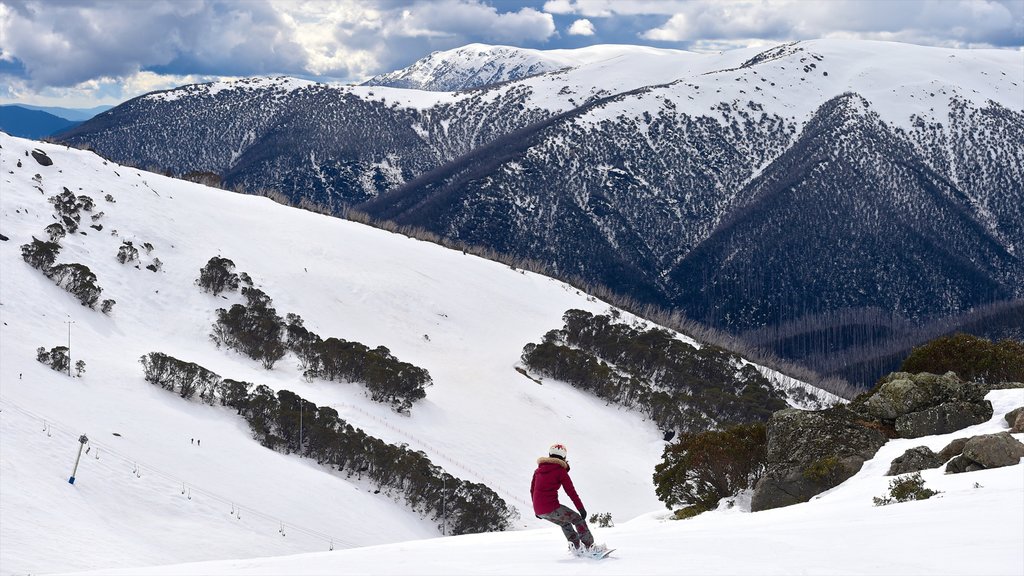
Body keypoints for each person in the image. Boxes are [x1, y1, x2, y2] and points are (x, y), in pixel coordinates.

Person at [530, 443, 603, 553]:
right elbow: (571, 492)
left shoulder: (538, 470)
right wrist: (581, 508)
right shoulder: (560, 471)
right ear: (564, 456)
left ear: (550, 454)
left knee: (565, 523)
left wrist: (536, 510)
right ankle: (590, 547)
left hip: (539, 510)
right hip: (552, 507)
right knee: (577, 519)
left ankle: (576, 548)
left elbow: (532, 490)